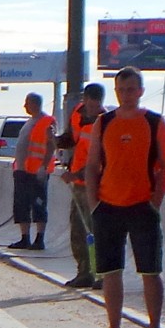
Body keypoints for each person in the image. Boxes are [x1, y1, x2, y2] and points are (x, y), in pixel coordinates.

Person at [86, 67, 165, 328]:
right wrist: (93, 203)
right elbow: (92, 165)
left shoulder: (155, 122)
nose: (127, 95)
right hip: (108, 206)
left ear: (141, 91)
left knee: (150, 271)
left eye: (132, 89)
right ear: (116, 92)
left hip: (142, 207)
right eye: (122, 90)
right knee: (110, 271)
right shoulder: (104, 122)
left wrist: (155, 200)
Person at [58, 83, 106, 288]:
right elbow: (71, 139)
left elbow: (101, 160)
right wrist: (54, 140)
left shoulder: (105, 122)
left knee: (95, 230)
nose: (95, 109)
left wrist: (76, 173)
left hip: (96, 185)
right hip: (78, 183)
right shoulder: (77, 113)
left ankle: (101, 274)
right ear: (84, 100)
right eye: (91, 104)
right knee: (78, 229)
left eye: (98, 105)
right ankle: (84, 272)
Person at [7, 92, 57, 251]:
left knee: (38, 205)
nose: (24, 106)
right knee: (21, 205)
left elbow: (51, 145)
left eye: (27, 103)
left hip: (37, 173)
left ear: (35, 104)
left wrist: (43, 166)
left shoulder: (47, 122)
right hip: (22, 171)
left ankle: (39, 239)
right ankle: (25, 238)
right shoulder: (30, 122)